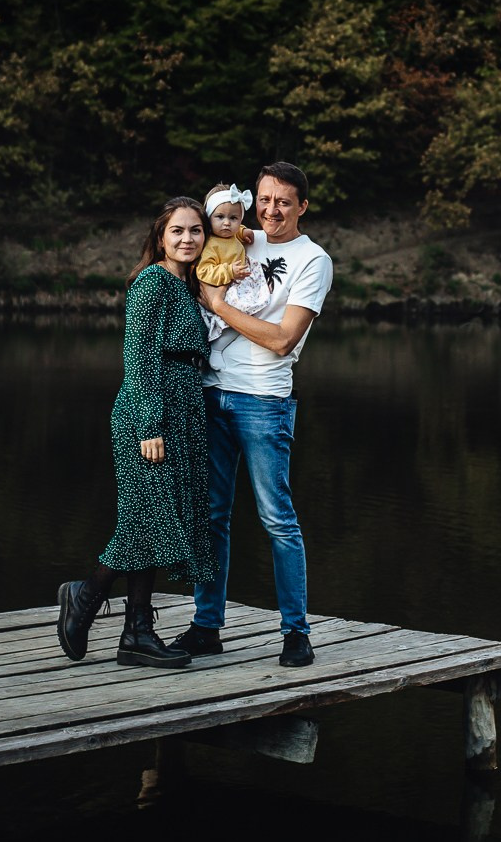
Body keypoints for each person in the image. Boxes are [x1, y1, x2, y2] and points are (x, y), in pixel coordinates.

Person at [169, 161, 333, 668]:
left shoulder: (314, 260)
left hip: (263, 401)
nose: (271, 210)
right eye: (265, 200)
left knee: (277, 519)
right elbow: (197, 233)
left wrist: (217, 305)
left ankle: (295, 632)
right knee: (212, 517)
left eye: (284, 201)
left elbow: (284, 340)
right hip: (211, 393)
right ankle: (206, 625)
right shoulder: (242, 234)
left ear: (302, 206)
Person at [56, 196, 216, 670]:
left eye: (196, 231)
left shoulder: (190, 288)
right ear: (160, 238)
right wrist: (150, 424)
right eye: (178, 231)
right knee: (143, 519)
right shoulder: (151, 284)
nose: (188, 239)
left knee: (151, 521)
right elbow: (140, 356)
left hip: (182, 412)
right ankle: (86, 596)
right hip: (148, 415)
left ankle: (136, 634)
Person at [196, 182, 271, 370]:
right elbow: (203, 271)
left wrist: (244, 231)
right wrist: (229, 271)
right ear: (209, 218)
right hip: (220, 286)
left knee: (250, 313)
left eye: (234, 218)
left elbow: (238, 229)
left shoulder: (233, 234)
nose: (227, 223)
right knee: (238, 316)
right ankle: (217, 349)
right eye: (220, 217)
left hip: (236, 285)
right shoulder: (211, 244)